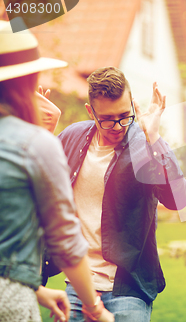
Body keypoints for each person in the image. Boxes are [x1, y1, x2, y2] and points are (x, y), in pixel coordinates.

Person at [42, 66, 186, 322]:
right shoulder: (72, 137)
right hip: (78, 285)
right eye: (107, 119)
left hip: (128, 288)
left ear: (132, 105)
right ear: (91, 111)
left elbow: (178, 199)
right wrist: (36, 128)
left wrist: (154, 136)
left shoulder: (145, 142)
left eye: (125, 115)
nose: (118, 126)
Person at [0, 19, 113, 322]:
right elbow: (65, 241)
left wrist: (38, 290)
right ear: (26, 81)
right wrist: (95, 307)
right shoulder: (34, 143)